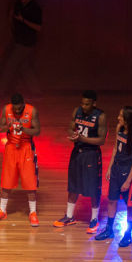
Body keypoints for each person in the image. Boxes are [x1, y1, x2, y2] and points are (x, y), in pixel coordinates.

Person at [54, 90, 107, 232]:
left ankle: (94, 219)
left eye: (87, 104)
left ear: (94, 104)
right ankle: (69, 216)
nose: (84, 106)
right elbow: (70, 128)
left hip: (91, 154)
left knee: (93, 187)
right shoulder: (76, 111)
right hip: (77, 152)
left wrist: (82, 139)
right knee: (73, 184)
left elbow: (101, 140)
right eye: (82, 103)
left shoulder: (100, 116)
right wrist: (72, 135)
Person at [0, 93, 41, 227]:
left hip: (26, 148)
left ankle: (33, 212)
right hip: (11, 147)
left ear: (23, 104)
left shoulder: (31, 110)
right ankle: (2, 210)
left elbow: (37, 131)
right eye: (15, 109)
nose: (17, 111)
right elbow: (0, 128)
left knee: (30, 182)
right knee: (7, 180)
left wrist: (23, 128)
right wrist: (11, 126)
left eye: (20, 108)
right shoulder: (6, 109)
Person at [95, 106, 132, 246]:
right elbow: (115, 147)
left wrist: (128, 180)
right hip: (117, 168)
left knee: (130, 204)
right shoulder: (119, 128)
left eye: (121, 116)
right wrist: (109, 168)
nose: (118, 118)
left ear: (128, 118)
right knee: (112, 200)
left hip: (129, 172)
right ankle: (109, 230)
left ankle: (128, 234)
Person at [0, 0, 43, 96]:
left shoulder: (35, 8)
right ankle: (37, 93)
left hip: (27, 43)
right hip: (19, 41)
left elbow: (38, 27)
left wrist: (23, 20)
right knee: (24, 67)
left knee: (10, 65)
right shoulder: (19, 6)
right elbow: (12, 21)